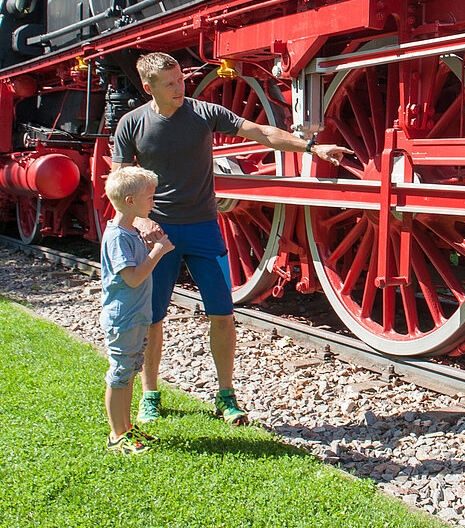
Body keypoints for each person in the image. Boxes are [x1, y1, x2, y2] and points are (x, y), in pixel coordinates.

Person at [111, 51, 348, 426]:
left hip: (205, 227)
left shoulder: (204, 113)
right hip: (158, 233)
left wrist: (312, 147)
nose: (179, 88)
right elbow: (120, 183)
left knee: (223, 314)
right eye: (170, 84)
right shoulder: (131, 124)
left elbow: (263, 132)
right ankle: (150, 395)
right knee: (153, 319)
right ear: (148, 87)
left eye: (181, 80)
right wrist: (139, 223)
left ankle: (226, 396)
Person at [100, 165, 174, 454]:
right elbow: (132, 278)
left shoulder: (129, 233)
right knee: (119, 375)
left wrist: (147, 246)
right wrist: (157, 252)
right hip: (123, 317)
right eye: (149, 198)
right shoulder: (118, 237)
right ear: (130, 201)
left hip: (135, 315)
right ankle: (117, 434)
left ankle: (127, 428)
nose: (153, 203)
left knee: (129, 372)